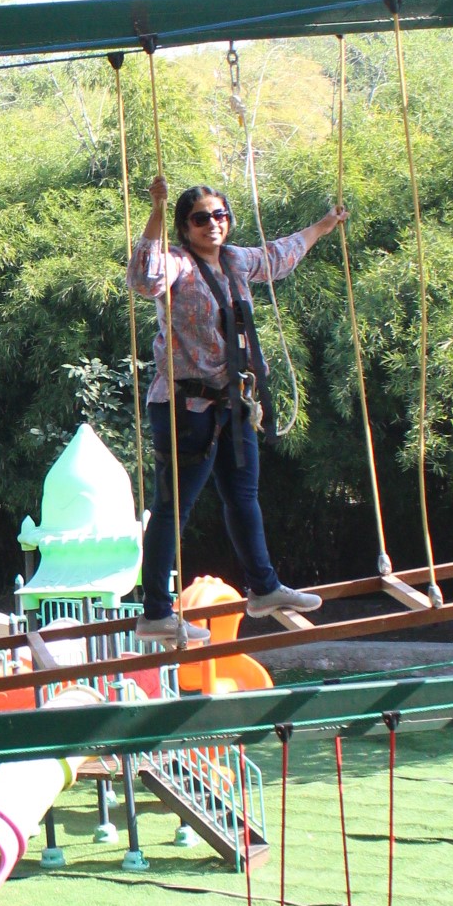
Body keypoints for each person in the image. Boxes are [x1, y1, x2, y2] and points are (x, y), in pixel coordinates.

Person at [127, 177, 348, 645]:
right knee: (172, 509)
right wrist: (157, 211)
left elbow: (280, 253)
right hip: (186, 406)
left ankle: (264, 588)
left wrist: (324, 227)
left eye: (220, 215)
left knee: (243, 498)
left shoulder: (235, 262)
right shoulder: (176, 266)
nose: (213, 224)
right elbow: (142, 276)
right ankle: (155, 611)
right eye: (201, 218)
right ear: (186, 228)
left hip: (235, 402)